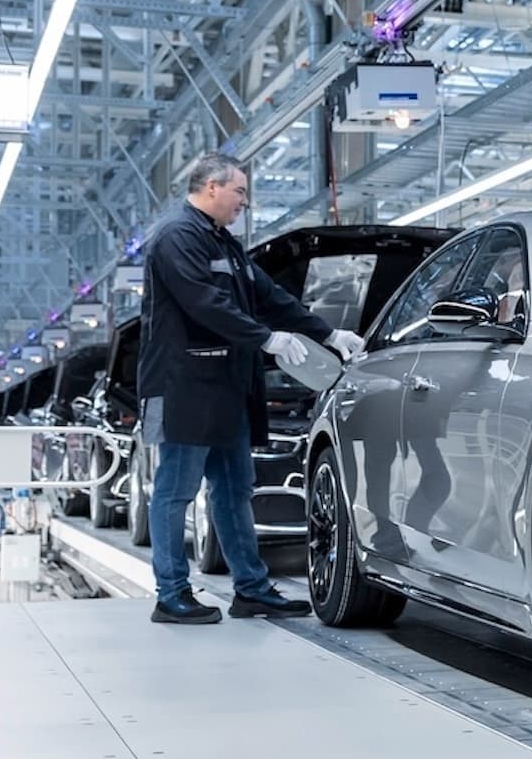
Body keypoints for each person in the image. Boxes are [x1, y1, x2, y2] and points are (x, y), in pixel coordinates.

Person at [138, 152, 366, 625]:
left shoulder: (224, 243)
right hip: (183, 387)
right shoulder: (176, 237)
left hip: (225, 389)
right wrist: (267, 338)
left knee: (234, 489)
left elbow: (269, 296)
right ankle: (171, 594)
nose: (245, 201)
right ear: (211, 188)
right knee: (175, 490)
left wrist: (325, 333)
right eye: (240, 191)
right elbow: (206, 303)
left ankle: (252, 589)